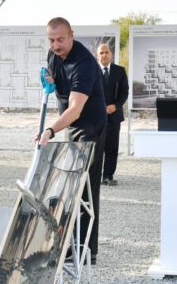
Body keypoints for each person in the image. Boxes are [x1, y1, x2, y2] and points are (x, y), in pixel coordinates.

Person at [37, 17, 106, 265]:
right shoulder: (53, 55)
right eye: (51, 40)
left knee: (84, 189)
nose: (56, 45)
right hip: (69, 124)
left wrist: (50, 130)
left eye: (60, 39)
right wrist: (51, 83)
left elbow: (76, 109)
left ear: (72, 35)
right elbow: (57, 85)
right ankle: (69, 244)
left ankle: (85, 249)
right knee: (69, 187)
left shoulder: (84, 63)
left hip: (89, 127)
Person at [96, 42, 129, 186]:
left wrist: (115, 106)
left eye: (106, 52)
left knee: (112, 147)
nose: (104, 55)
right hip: (96, 116)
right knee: (97, 147)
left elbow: (124, 92)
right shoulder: (92, 71)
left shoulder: (119, 71)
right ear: (97, 56)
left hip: (114, 116)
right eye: (101, 53)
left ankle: (108, 176)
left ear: (111, 54)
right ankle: (94, 176)